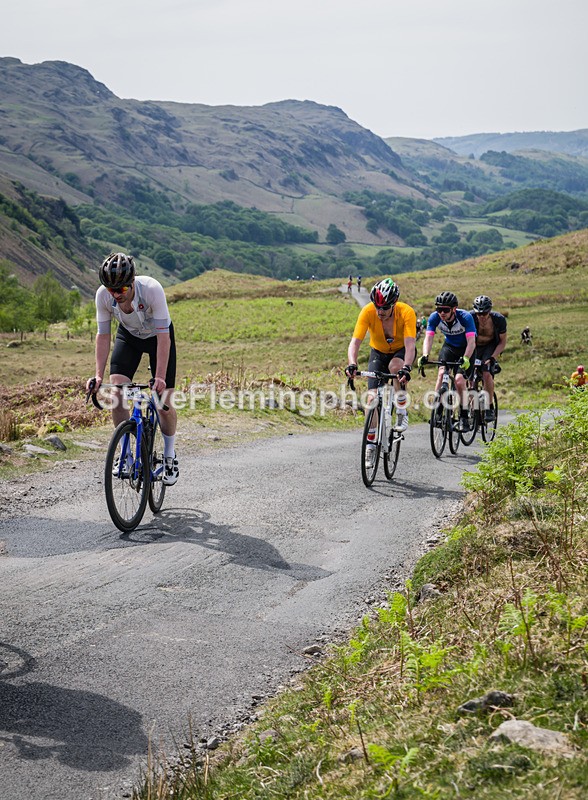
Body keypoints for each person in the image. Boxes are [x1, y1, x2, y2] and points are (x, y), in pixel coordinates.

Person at [85, 253, 180, 485]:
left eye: (121, 290)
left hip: (158, 338)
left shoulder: (152, 290)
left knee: (163, 402)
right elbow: (103, 335)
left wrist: (159, 377)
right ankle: (125, 453)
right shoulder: (103, 296)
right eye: (111, 290)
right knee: (117, 393)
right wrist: (98, 375)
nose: (116, 295)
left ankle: (169, 455)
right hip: (128, 336)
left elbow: (164, 337)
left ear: (133, 282)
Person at [345, 278, 417, 467]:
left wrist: (407, 367)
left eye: (384, 308)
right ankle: (370, 445)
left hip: (401, 352)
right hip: (378, 353)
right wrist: (352, 363)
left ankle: (401, 408)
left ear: (394, 304)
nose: (380, 312)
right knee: (371, 399)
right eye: (377, 306)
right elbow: (355, 342)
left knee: (395, 368)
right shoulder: (368, 311)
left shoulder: (406, 312)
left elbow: (410, 345)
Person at [417, 291, 477, 431]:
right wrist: (425, 354)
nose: (442, 313)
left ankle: (463, 417)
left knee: (459, 380)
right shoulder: (434, 318)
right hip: (449, 347)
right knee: (441, 373)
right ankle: (437, 412)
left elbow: (472, 342)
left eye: (445, 310)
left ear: (454, 309)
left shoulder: (465, 317)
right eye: (439, 309)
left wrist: (467, 357)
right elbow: (429, 337)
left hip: (467, 349)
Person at [471, 295, 507, 421]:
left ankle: (489, 407)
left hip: (490, 346)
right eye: (479, 313)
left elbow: (502, 342)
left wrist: (493, 357)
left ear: (490, 311)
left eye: (485, 313)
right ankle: (471, 406)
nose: (482, 316)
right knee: (469, 376)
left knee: (486, 373)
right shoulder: (469, 318)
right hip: (474, 346)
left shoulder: (499, 320)